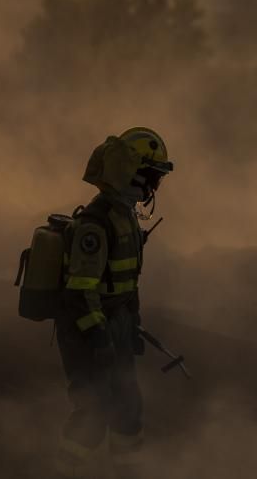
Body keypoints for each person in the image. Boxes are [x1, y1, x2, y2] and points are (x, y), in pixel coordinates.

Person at [53, 127, 173, 479]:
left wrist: (130, 324)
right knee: (93, 412)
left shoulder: (124, 218)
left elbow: (125, 282)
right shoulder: (96, 223)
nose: (156, 185)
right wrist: (100, 339)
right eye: (153, 175)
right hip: (88, 331)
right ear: (133, 172)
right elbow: (79, 292)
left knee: (127, 408)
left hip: (114, 326)